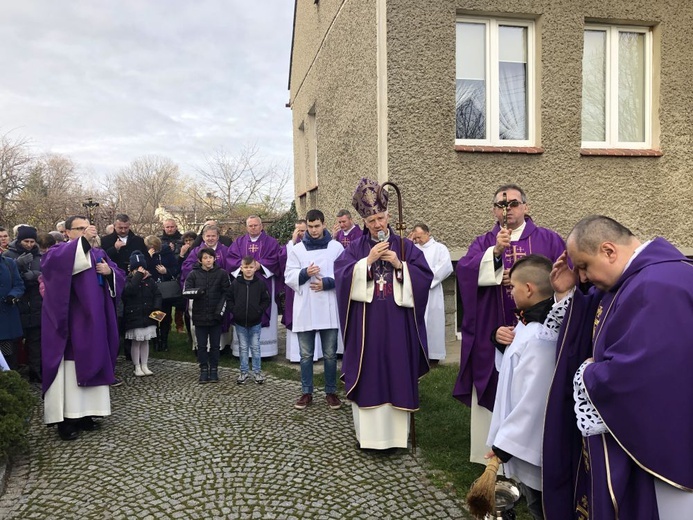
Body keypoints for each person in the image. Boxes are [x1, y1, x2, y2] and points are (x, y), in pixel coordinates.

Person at [543, 215, 693, 519]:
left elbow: (647, 371)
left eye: (583, 266)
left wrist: (590, 374)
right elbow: (596, 318)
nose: (582, 277)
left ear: (609, 251)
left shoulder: (658, 285)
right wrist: (567, 293)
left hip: (667, 442)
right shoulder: (634, 280)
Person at [453, 183, 565, 464]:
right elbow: (465, 272)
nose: (508, 210)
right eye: (502, 206)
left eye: (514, 204)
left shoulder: (549, 240)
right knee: (494, 384)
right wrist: (493, 256)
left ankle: (530, 453)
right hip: (495, 325)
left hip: (539, 333)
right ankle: (488, 451)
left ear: (526, 207)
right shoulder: (484, 242)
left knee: (532, 389)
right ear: (494, 210)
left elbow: (565, 281)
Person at [334, 178, 432, 449]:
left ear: (388, 215)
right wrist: (367, 262)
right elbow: (341, 277)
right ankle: (369, 438)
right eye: (372, 220)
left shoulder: (405, 247)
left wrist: (400, 266)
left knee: (398, 371)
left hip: (399, 326)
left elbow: (425, 278)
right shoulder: (354, 249)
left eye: (381, 217)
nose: (378, 224)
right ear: (364, 222)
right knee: (369, 374)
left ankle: (397, 439)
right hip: (367, 328)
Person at [486, 255, 571, 520]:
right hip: (523, 439)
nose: (510, 293)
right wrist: (501, 343)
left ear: (529, 289)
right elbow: (513, 370)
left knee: (541, 506)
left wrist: (505, 444)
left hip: (534, 442)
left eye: (513, 288)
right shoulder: (528, 324)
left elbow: (534, 398)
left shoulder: (540, 336)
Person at [41, 215, 125, 441]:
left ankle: (88, 414)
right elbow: (59, 269)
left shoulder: (99, 254)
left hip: (96, 322)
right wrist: (84, 243)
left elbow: (119, 274)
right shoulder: (57, 253)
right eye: (78, 229)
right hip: (71, 324)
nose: (85, 231)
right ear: (67, 232)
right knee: (71, 369)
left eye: (86, 228)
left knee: (96, 359)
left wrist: (110, 274)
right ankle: (68, 420)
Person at [285, 209, 344, 410]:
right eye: (310, 227)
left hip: (328, 306)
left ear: (323, 224)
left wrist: (327, 282)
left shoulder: (336, 247)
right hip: (306, 307)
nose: (313, 230)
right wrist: (304, 273)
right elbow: (288, 275)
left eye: (317, 226)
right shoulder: (297, 249)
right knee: (306, 355)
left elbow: (344, 272)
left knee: (329, 354)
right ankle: (306, 392)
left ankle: (331, 392)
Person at [225, 215, 281, 358]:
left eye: (256, 225)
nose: (253, 228)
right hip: (242, 285)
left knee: (263, 306)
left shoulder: (271, 242)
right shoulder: (239, 242)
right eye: (250, 225)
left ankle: (266, 351)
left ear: (261, 226)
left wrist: (260, 265)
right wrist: (246, 267)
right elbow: (230, 259)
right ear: (246, 227)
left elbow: (276, 258)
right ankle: (243, 351)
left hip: (264, 283)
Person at [183, 248, 231, 384]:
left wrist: (219, 312)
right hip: (200, 315)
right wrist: (198, 292)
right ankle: (203, 369)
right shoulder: (193, 274)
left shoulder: (222, 274)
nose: (208, 260)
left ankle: (214, 369)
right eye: (205, 258)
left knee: (215, 346)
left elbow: (227, 293)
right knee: (202, 345)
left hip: (216, 316)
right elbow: (186, 291)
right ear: (200, 260)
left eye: (210, 257)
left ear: (214, 259)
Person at [278, 219, 323, 362]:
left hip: (314, 287)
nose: (300, 234)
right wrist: (292, 242)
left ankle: (315, 354)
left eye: (303, 230)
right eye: (297, 230)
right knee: (296, 316)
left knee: (315, 317)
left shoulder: (315, 246)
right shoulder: (291, 246)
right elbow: (283, 265)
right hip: (295, 290)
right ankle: (295, 355)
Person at [2, 225, 43, 381]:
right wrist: (18, 266)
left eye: (32, 241)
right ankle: (13, 374)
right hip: (16, 305)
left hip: (35, 303)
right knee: (13, 343)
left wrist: (36, 275)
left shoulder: (39, 256)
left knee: (35, 341)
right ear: (19, 240)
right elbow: (8, 279)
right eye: (26, 241)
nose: (29, 244)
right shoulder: (9, 256)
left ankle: (36, 371)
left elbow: (48, 274)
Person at [409, 223, 453, 361]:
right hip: (415, 291)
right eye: (415, 238)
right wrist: (409, 244)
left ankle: (434, 355)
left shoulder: (439, 248)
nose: (417, 240)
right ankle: (417, 353)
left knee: (433, 322)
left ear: (427, 233)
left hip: (432, 291)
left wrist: (425, 279)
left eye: (419, 237)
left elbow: (445, 267)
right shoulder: (413, 249)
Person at [228, 256, 271, 385]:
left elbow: (266, 300)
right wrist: (234, 310)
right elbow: (229, 298)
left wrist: (259, 310)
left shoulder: (260, 283)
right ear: (241, 268)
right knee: (243, 347)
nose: (248, 270)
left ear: (255, 268)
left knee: (256, 347)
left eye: (251, 267)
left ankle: (257, 372)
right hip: (240, 321)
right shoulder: (236, 283)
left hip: (255, 321)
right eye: (245, 267)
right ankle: (244, 372)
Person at [121, 251, 163, 377]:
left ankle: (145, 364)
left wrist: (156, 307)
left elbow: (157, 294)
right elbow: (129, 291)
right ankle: (137, 366)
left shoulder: (150, 281)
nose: (141, 271)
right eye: (137, 269)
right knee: (136, 342)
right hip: (134, 316)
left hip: (148, 314)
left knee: (146, 341)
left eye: (142, 269)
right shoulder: (127, 281)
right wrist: (137, 276)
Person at [143, 235, 179, 351]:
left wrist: (166, 271)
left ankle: (164, 340)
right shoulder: (146, 254)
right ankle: (155, 340)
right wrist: (148, 256)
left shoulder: (167, 253)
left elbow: (175, 268)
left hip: (165, 290)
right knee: (154, 315)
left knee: (165, 316)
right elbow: (143, 268)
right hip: (152, 289)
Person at [0, 255, 24, 372]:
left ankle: (9, 384)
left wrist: (13, 295)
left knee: (8, 357)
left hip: (6, 316)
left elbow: (19, 284)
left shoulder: (9, 263)